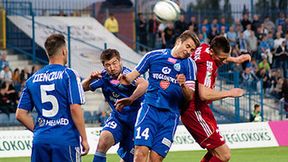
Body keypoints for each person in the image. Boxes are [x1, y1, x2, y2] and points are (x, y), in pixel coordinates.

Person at [119, 30, 200, 162]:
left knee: (156, 159)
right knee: (140, 153)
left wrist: (183, 85)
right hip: (149, 110)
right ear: (179, 41)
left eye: (192, 50)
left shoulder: (190, 64)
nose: (189, 51)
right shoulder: (153, 56)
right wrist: (124, 79)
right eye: (187, 46)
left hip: (170, 116)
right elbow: (131, 77)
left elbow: (190, 96)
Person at [15, 34, 89, 162]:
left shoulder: (32, 79)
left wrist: (39, 130)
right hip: (65, 139)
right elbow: (75, 108)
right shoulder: (69, 74)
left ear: (48, 53)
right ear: (64, 51)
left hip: (41, 140)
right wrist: (84, 138)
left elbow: (20, 114)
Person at [181, 36, 250, 162]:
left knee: (216, 152)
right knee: (224, 155)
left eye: (225, 58)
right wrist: (229, 93)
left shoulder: (204, 48)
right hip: (194, 110)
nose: (223, 62)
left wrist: (235, 59)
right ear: (212, 52)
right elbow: (204, 95)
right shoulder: (207, 64)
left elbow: (219, 56)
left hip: (200, 108)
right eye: (221, 59)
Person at [81, 48, 148, 162]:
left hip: (136, 123)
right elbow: (81, 87)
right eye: (108, 65)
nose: (112, 67)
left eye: (114, 63)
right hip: (118, 119)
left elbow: (144, 84)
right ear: (103, 65)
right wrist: (90, 79)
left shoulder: (128, 74)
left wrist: (131, 99)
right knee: (103, 141)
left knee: (129, 159)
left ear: (119, 61)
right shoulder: (103, 77)